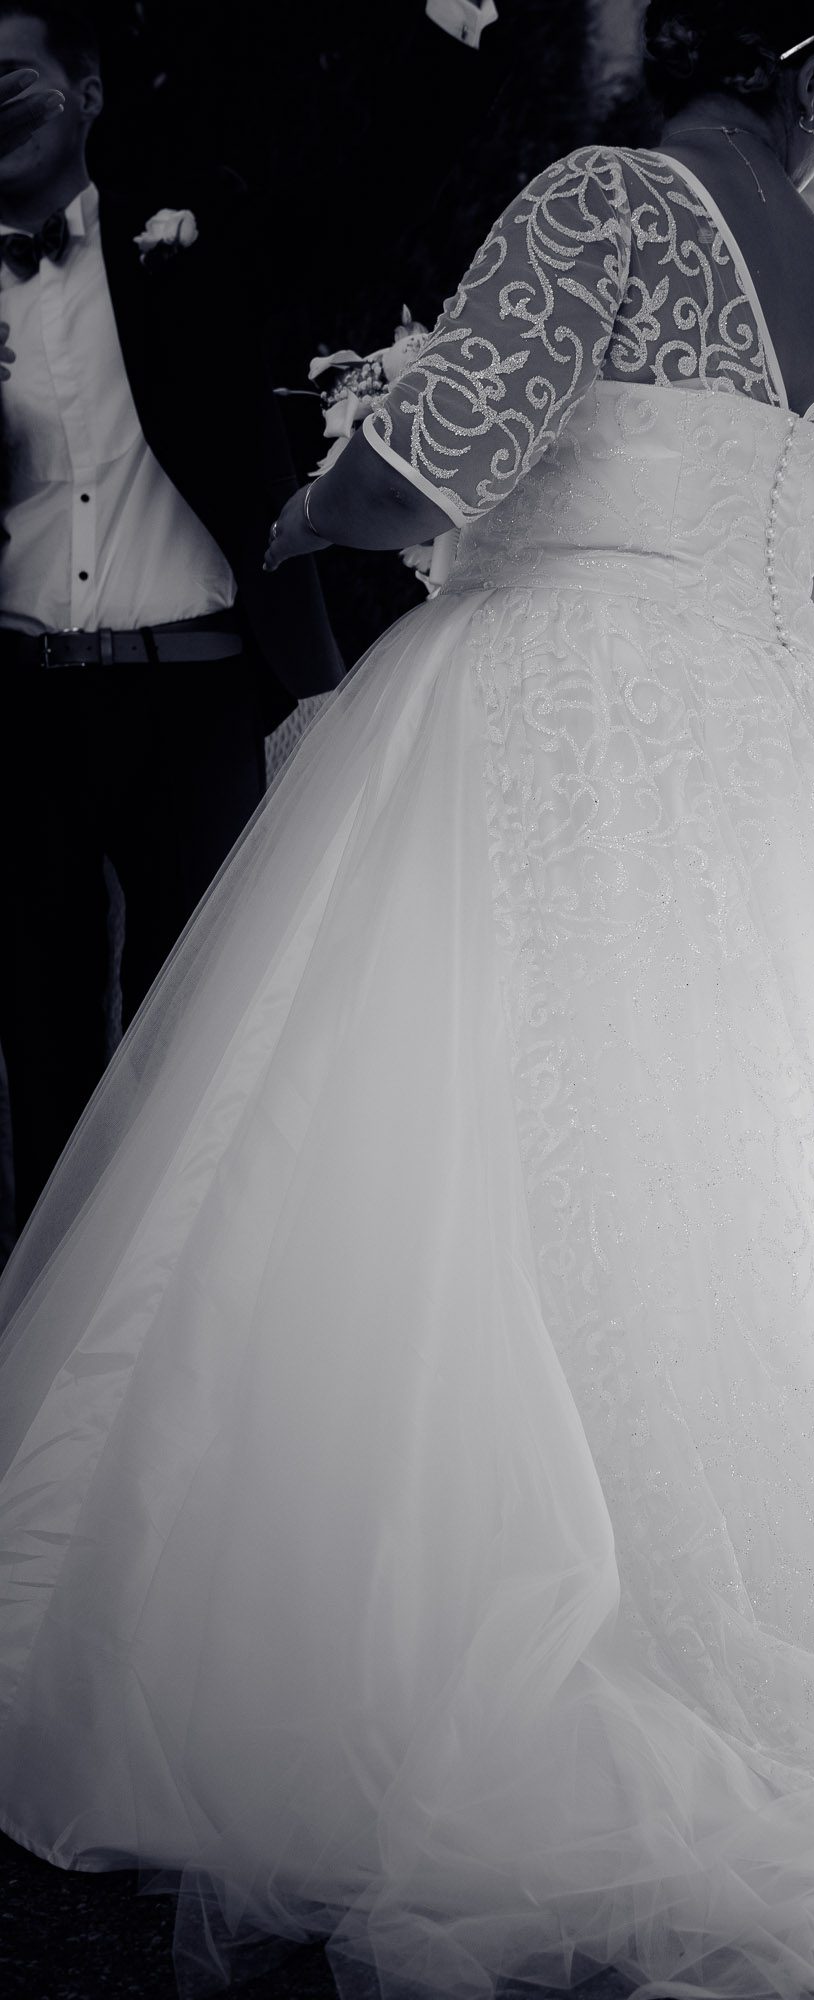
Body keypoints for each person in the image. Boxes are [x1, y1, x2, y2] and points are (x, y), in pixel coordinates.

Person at [1, 4, 814, 1996]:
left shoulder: (609, 203)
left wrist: (312, 518)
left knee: (464, 1148)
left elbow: (429, 469)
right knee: (732, 1189)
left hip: (544, 705)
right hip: (758, 748)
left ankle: (449, 1611)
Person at [0, 2, 342, 1238]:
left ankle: (174, 1306)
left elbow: (347, 203)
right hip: (20, 707)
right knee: (40, 1042)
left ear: (87, 92)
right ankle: (47, 1319)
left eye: (14, 76)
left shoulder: (191, 237)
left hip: (194, 699)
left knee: (194, 1036)